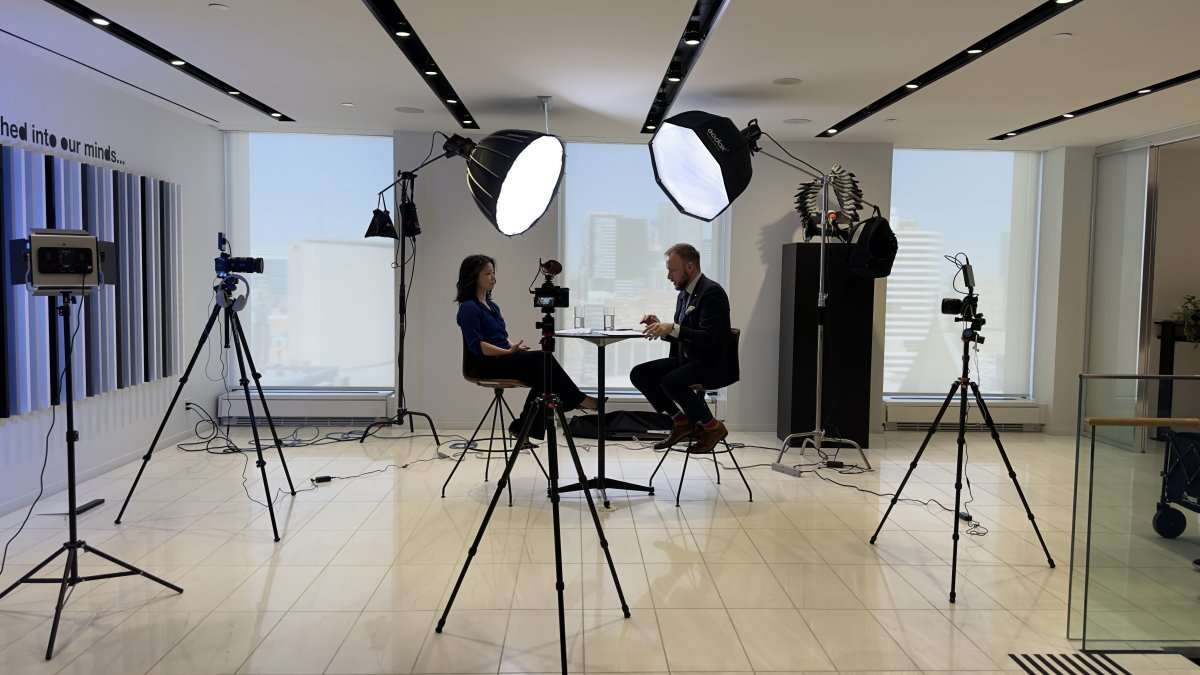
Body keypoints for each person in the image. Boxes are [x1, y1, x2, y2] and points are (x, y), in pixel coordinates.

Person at [455, 254, 599, 439]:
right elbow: (478, 346)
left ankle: (522, 428)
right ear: (473, 277)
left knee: (545, 376)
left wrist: (513, 346)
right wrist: (508, 351)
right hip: (484, 364)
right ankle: (580, 400)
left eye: (493, 273)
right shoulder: (468, 307)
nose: (493, 278)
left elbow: (501, 337)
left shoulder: (492, 306)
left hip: (502, 358)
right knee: (542, 359)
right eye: (488, 274)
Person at [632, 243, 738, 454]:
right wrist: (663, 328)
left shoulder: (712, 292)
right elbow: (683, 335)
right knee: (639, 374)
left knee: (671, 382)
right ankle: (681, 422)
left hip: (710, 362)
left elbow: (708, 339)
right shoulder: (684, 294)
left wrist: (673, 328)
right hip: (689, 360)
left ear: (689, 267)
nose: (669, 276)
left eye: (672, 270)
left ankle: (713, 427)